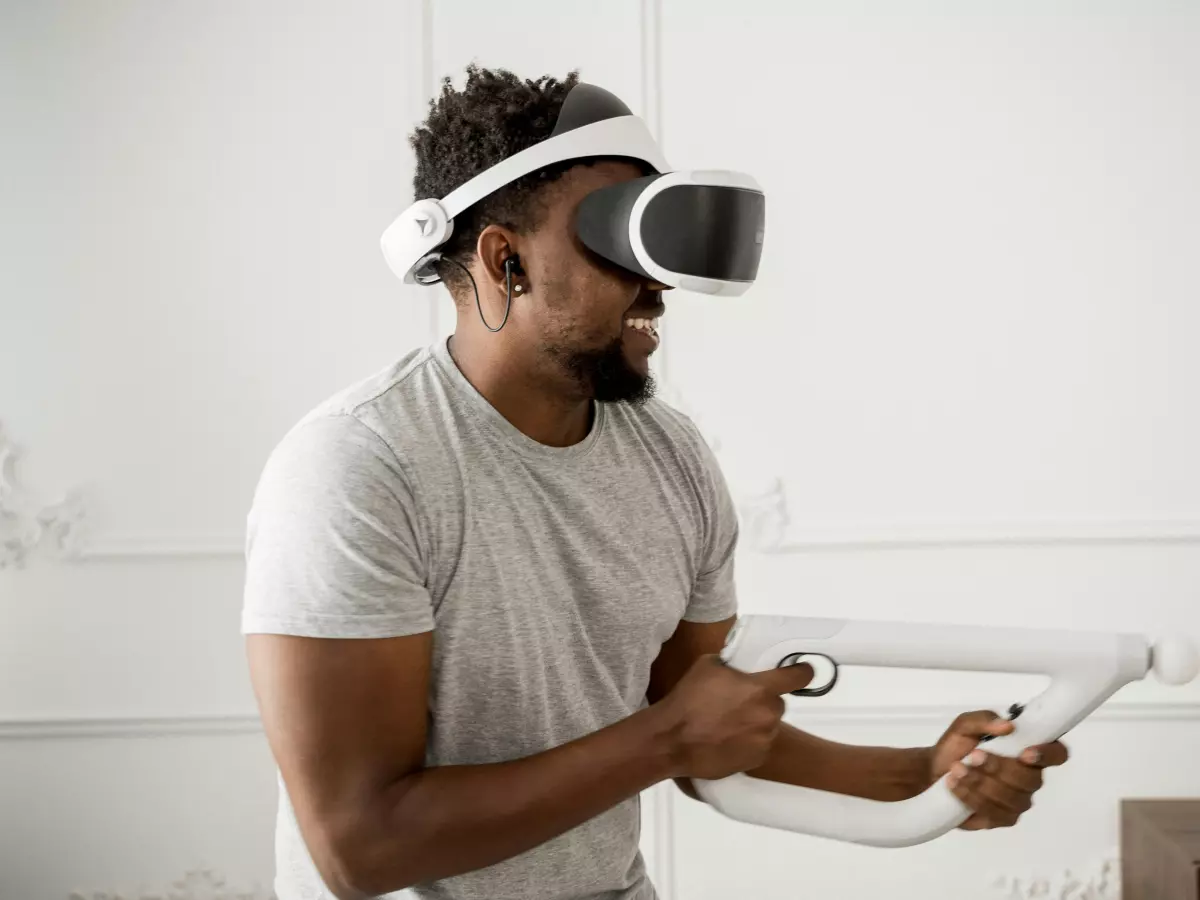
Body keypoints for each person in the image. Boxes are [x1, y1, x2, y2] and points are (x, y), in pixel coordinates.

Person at [241, 65, 1069, 900]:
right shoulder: (358, 467)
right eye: (616, 244)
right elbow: (361, 846)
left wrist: (923, 778)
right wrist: (665, 740)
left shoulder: (670, 456)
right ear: (506, 262)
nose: (659, 284)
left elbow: (702, 725)